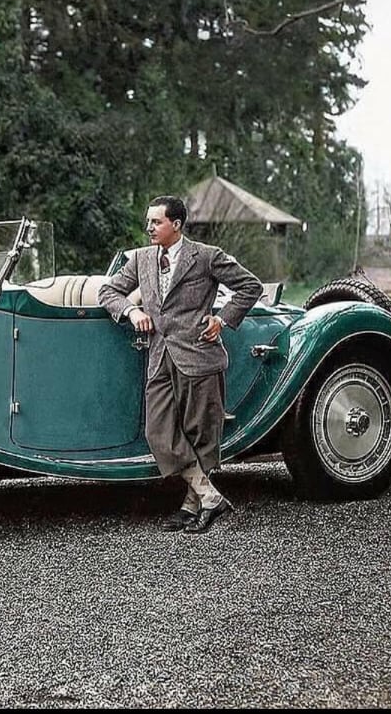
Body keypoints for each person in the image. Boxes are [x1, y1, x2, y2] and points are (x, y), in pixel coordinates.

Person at [97, 196, 263, 533]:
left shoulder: (205, 256)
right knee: (158, 432)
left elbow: (250, 286)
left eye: (156, 222)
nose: (149, 228)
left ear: (176, 224)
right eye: (148, 222)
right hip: (159, 356)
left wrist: (223, 320)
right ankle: (210, 497)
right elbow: (108, 292)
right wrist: (132, 310)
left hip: (200, 355)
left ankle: (192, 507)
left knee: (201, 434)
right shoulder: (141, 259)